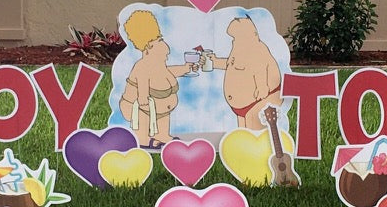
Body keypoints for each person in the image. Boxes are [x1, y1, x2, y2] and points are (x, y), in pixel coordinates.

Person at [119, 10, 196, 148]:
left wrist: (186, 68)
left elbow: (168, 71)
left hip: (159, 109)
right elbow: (142, 90)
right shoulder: (142, 66)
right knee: (143, 115)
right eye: (160, 41)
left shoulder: (158, 64)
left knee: (162, 117)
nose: (165, 45)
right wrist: (143, 100)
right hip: (138, 107)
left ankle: (162, 135)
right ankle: (142, 138)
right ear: (149, 46)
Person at [206, 16, 283, 130]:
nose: (233, 41)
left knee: (253, 133)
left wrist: (261, 87)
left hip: (257, 102)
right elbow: (231, 64)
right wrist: (214, 62)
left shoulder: (258, 50)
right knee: (243, 133)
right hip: (241, 105)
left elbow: (260, 69)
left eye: (235, 37)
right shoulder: (238, 49)